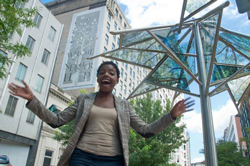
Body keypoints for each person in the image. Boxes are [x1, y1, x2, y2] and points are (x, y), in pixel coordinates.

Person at [8, 61, 194, 166]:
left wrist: (171, 116)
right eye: (102, 72)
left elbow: (145, 131)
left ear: (117, 80)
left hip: (113, 161)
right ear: (97, 78)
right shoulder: (84, 100)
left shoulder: (124, 106)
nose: (106, 75)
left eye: (111, 73)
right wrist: (33, 100)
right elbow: (57, 121)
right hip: (82, 157)